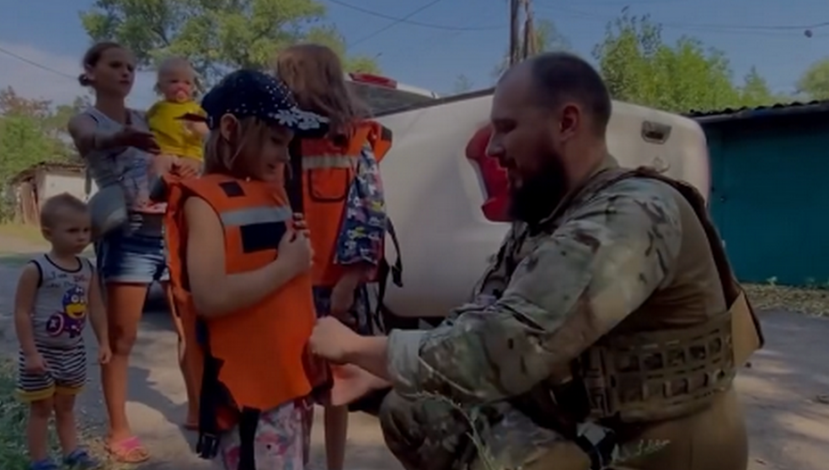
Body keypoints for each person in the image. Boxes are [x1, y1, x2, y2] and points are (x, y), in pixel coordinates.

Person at [308, 52, 764, 470]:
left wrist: (358, 348)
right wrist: (380, 375)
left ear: (567, 122)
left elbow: (504, 347)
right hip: (590, 428)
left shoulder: (631, 214)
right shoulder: (550, 214)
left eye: (507, 128)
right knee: (414, 407)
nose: (492, 148)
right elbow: (482, 316)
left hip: (661, 450)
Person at [159, 69, 328, 470]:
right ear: (232, 129)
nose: (285, 156)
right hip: (251, 396)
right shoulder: (204, 203)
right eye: (274, 141)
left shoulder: (272, 192)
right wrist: (288, 265)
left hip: (290, 384)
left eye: (288, 145)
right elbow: (212, 297)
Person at [66, 41, 191, 463]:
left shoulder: (147, 118)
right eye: (116, 65)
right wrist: (121, 136)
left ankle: (195, 411)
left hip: (172, 228)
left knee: (188, 328)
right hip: (128, 231)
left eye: (131, 67)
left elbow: (167, 160)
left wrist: (181, 165)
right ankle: (118, 429)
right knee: (122, 338)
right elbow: (89, 140)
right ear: (91, 70)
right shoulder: (86, 118)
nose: (125, 73)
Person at [275, 43, 393, 470]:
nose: (284, 84)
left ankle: (335, 466)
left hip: (336, 285)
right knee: (296, 382)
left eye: (290, 75)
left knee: (336, 386)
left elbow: (369, 210)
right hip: (285, 284)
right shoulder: (280, 138)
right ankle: (296, 460)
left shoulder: (355, 135)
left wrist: (350, 280)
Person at [13, 193, 110, 470]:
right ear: (48, 233)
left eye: (86, 230)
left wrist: (104, 341)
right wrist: (30, 353)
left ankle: (73, 453)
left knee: (66, 407)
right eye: (72, 231)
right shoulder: (36, 270)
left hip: (73, 352)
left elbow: (96, 308)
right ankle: (40, 461)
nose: (81, 237)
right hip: (41, 354)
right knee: (42, 408)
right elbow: (21, 312)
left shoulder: (87, 269)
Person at [146, 56, 208, 180]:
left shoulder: (195, 108)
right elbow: (146, 124)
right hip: (164, 151)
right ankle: (160, 191)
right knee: (158, 166)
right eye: (174, 81)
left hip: (190, 154)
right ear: (160, 87)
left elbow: (207, 131)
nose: (181, 86)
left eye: (187, 83)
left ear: (192, 88)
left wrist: (198, 128)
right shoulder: (158, 108)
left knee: (192, 176)